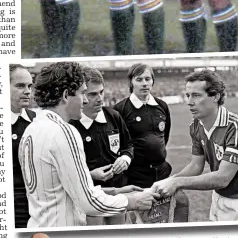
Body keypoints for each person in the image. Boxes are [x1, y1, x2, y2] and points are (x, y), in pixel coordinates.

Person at [18, 62, 155, 228]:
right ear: (66, 95)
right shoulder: (63, 131)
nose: (84, 100)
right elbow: (89, 203)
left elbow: (60, 191)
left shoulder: (32, 128)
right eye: (83, 93)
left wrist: (115, 191)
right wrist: (132, 201)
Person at [152, 70, 238, 222]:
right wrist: (169, 181)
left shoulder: (237, 127)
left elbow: (223, 178)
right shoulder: (196, 126)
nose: (189, 102)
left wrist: (177, 183)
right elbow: (195, 166)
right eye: (188, 95)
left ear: (216, 96)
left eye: (196, 95)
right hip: (218, 198)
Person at [69, 68, 133, 225]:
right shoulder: (71, 125)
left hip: (118, 191)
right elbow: (67, 169)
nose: (99, 99)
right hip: (89, 197)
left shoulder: (113, 116)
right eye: (92, 94)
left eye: (101, 92)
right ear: (81, 94)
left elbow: (128, 146)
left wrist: (125, 159)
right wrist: (90, 175)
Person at [113, 63, 172, 187]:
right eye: (139, 79)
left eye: (147, 79)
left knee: (168, 206)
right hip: (135, 175)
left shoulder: (162, 106)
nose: (144, 83)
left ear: (152, 81)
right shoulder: (120, 109)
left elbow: (164, 136)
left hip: (162, 172)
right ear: (131, 82)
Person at [11, 64, 35, 229]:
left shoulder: (37, 119)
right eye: (20, 86)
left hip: (37, 207)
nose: (27, 91)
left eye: (29, 86)